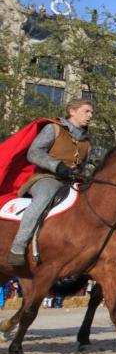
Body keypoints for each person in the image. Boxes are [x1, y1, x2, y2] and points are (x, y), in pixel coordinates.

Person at [6, 98, 94, 267]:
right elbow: (34, 153)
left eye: (91, 113)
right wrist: (57, 166)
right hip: (45, 178)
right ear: (72, 112)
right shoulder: (53, 128)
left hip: (71, 183)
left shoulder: (86, 142)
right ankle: (18, 246)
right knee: (46, 194)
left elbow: (82, 167)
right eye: (86, 111)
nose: (90, 115)